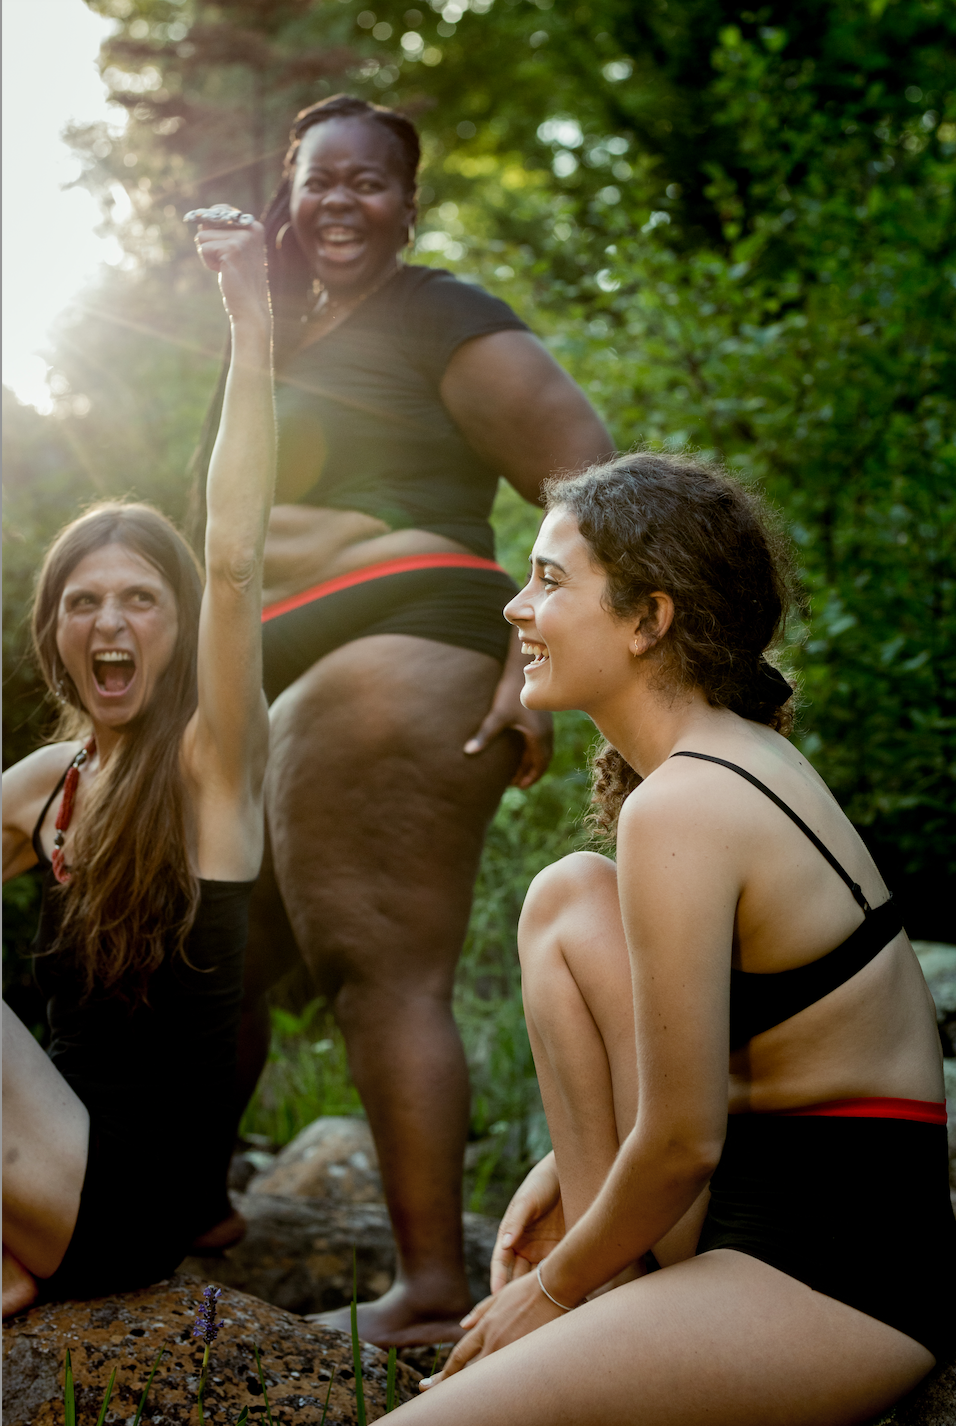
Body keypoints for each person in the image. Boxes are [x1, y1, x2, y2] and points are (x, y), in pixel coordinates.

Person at [386, 451, 955, 1424]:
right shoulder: (731, 757)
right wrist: (565, 1171)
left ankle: (605, 1299)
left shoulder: (689, 802)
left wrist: (549, 1291)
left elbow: (684, 1138)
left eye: (550, 581)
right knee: (567, 896)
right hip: (749, 1200)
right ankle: (621, 1293)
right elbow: (704, 1053)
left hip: (834, 1271)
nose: (516, 608)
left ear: (649, 619)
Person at [205, 93, 612, 1346]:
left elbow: (590, 476)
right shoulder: (293, 332)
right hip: (281, 677)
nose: (339, 201)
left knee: (381, 968)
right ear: (291, 195)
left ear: (408, 203)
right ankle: (187, 1209)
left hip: (409, 647)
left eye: (367, 181)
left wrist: (527, 663)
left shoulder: (443, 313)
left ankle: (434, 1288)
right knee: (217, 937)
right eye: (316, 180)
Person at [1, 213, 275, 1315]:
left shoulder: (214, 765)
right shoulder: (47, 785)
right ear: (55, 631)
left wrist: (250, 327)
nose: (108, 621)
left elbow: (236, 553)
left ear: (179, 621)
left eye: (138, 599)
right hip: (49, 1171)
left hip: (126, 1198)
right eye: (83, 602)